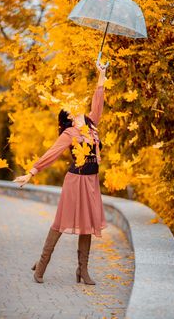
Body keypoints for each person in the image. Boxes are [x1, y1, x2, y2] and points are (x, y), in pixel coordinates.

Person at [13, 62, 108, 285]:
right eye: (72, 109)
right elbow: (52, 153)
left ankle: (82, 271)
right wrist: (31, 172)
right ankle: (42, 265)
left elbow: (98, 102)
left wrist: (101, 75)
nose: (78, 108)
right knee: (61, 223)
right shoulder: (69, 133)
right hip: (75, 182)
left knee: (88, 225)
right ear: (69, 117)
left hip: (92, 182)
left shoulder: (92, 126)